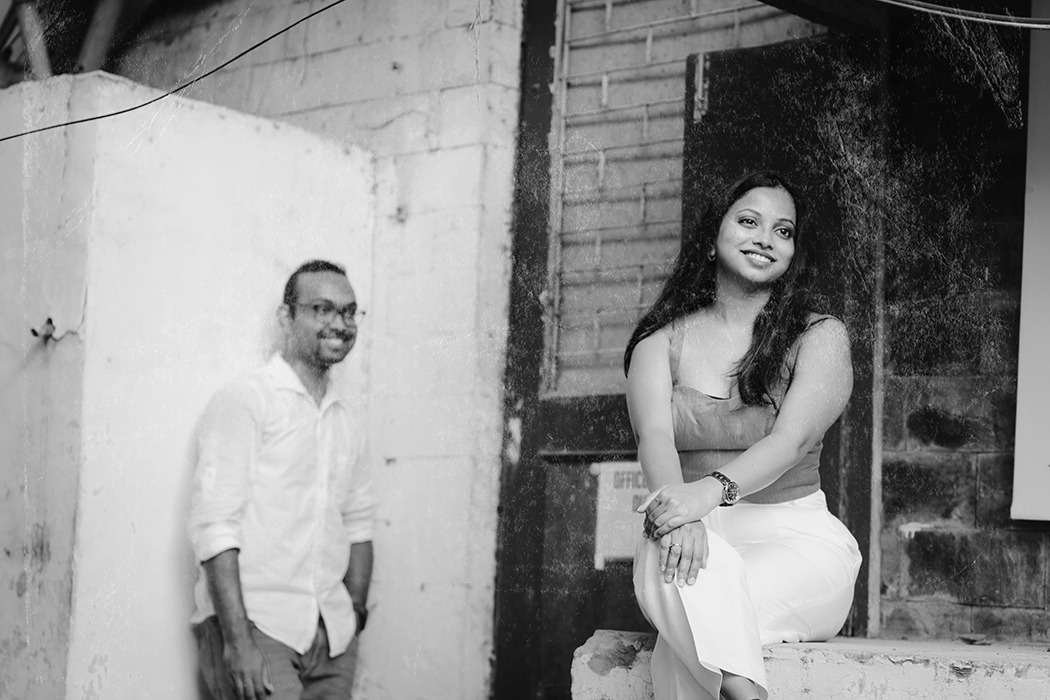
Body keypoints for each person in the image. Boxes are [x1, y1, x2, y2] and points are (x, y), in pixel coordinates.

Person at [624, 171, 862, 700]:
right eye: (749, 221)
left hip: (797, 544)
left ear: (793, 253)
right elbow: (654, 438)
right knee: (665, 550)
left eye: (783, 231)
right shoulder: (658, 344)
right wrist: (681, 516)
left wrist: (703, 495)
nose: (766, 238)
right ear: (713, 236)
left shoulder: (820, 336)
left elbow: (789, 442)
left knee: (690, 620)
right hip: (696, 536)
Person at [188, 259, 377, 700]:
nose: (339, 324)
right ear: (286, 317)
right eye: (322, 309)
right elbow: (215, 527)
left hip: (331, 638)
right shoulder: (246, 400)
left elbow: (359, 523)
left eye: (349, 312)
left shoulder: (347, 419)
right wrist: (238, 643)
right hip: (257, 629)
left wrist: (353, 613)